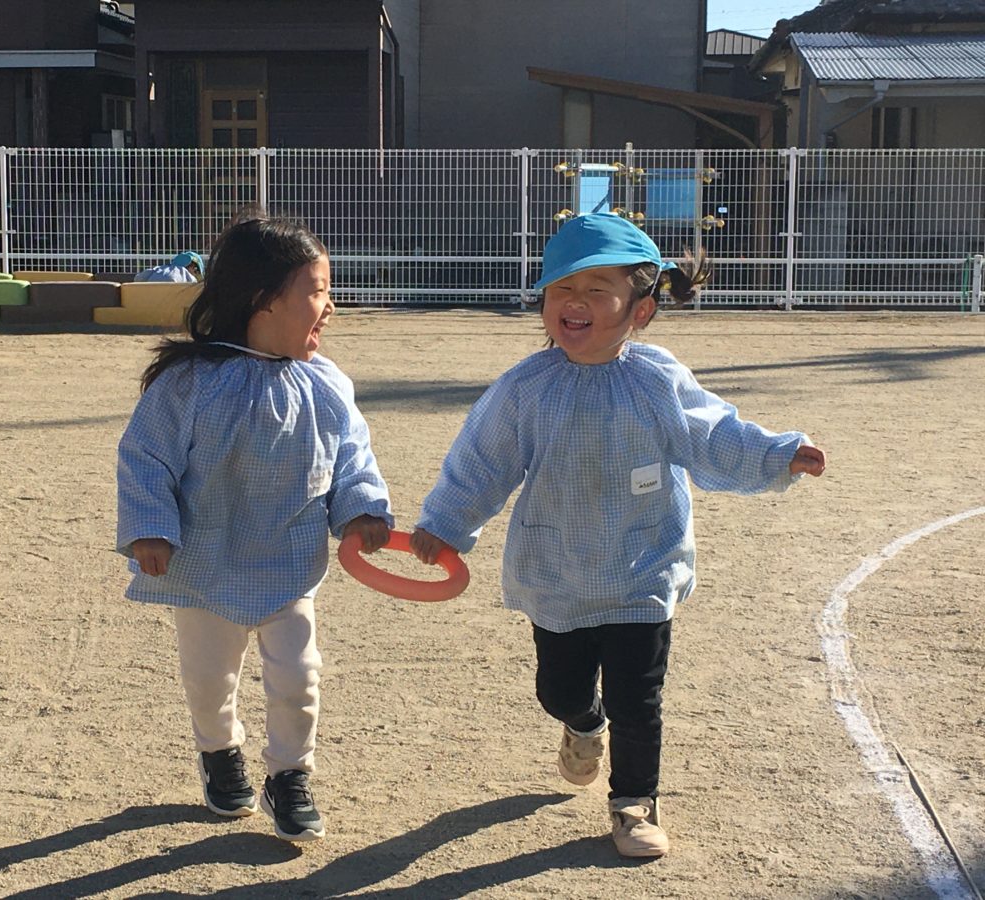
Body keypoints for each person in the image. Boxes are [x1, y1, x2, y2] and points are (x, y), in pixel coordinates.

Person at [408, 213, 826, 859]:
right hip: (558, 572)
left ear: (642, 310)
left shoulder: (657, 379)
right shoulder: (526, 388)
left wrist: (777, 454)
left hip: (642, 567)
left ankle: (634, 802)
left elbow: (713, 433)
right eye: (561, 288)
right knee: (559, 691)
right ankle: (584, 721)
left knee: (640, 698)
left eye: (596, 289)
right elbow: (482, 462)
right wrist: (444, 524)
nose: (574, 302)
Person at [115, 207, 392, 843]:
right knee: (210, 679)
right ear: (264, 300)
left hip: (288, 562)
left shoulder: (325, 383)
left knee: (299, 676)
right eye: (317, 292)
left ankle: (290, 775)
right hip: (205, 565)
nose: (330, 307)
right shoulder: (189, 382)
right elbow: (146, 456)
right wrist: (150, 527)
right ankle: (219, 753)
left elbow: (352, 457)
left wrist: (361, 508)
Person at [134, 250, 205, 283]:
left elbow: (138, 278)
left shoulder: (159, 268)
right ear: (193, 267)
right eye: (196, 272)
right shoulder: (186, 275)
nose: (195, 275)